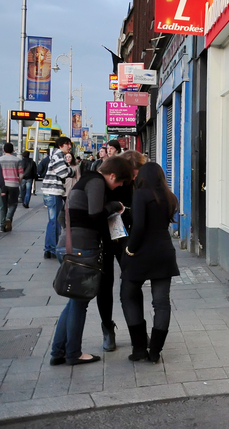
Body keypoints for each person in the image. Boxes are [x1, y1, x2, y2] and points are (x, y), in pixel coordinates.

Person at [49, 155, 133, 367]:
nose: (120, 186)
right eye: (120, 181)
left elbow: (64, 216)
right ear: (111, 175)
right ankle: (73, 353)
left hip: (67, 244)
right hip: (82, 248)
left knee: (74, 301)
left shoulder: (83, 181)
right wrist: (113, 205)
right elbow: (96, 214)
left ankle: (58, 351)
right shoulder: (96, 181)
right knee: (80, 302)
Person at [121, 162, 179, 363]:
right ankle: (155, 351)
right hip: (164, 251)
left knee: (127, 296)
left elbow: (139, 226)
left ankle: (139, 349)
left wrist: (130, 249)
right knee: (161, 303)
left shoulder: (141, 194)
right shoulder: (171, 197)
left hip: (142, 253)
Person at [96, 149, 146, 352]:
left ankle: (138, 330)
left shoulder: (137, 184)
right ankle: (107, 328)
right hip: (105, 238)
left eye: (137, 174)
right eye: (132, 174)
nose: (133, 178)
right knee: (104, 285)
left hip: (126, 237)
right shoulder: (106, 183)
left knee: (132, 283)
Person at [41, 138, 73, 260]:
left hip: (51, 191)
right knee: (54, 221)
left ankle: (49, 248)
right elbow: (64, 173)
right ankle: (52, 248)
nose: (69, 147)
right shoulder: (58, 155)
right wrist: (70, 170)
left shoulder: (56, 155)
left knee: (53, 221)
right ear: (61, 145)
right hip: (53, 191)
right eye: (67, 144)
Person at [0, 143, 23, 232]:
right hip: (14, 184)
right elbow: (21, 173)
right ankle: (8, 218)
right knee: (13, 203)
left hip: (2, 185)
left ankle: (2, 225)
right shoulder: (17, 160)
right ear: (13, 150)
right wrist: (18, 181)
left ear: (3, 150)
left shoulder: (0, 160)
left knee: (2, 206)